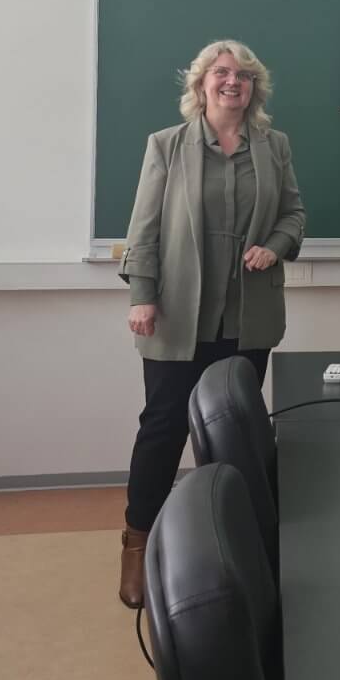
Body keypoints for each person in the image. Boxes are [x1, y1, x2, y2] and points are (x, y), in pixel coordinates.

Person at [115, 39, 305, 608]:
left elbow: (293, 213)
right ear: (200, 84)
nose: (233, 81)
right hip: (178, 314)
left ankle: (228, 550)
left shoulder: (274, 146)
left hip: (246, 317)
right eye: (221, 72)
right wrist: (143, 295)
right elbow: (144, 226)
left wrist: (276, 245)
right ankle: (137, 546)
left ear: (254, 88)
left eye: (244, 74)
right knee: (162, 430)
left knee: (232, 436)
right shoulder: (167, 145)